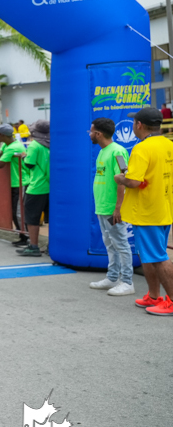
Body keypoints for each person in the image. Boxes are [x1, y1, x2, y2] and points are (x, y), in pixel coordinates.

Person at [115, 108, 173, 315]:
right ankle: (154, 295)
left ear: (139, 125)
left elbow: (133, 181)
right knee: (150, 255)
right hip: (164, 208)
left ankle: (172, 300)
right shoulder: (169, 144)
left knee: (157, 257)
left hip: (147, 212)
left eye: (134, 122)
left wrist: (120, 178)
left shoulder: (142, 148)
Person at [88, 118, 134, 296]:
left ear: (98, 134)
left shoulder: (118, 151)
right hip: (102, 207)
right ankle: (113, 277)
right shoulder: (103, 151)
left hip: (111, 208)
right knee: (110, 244)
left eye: (91, 131)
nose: (89, 134)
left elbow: (123, 179)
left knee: (121, 244)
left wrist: (118, 208)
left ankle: (128, 282)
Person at [17, 120, 50, 257]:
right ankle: (51, 246)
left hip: (36, 187)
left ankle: (34, 246)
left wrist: (23, 157)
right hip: (51, 187)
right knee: (50, 219)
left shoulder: (34, 145)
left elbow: (29, 164)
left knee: (32, 219)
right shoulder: (52, 145)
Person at [0, 124, 29, 247]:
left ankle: (26, 237)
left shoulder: (12, 147)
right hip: (15, 182)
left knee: (18, 212)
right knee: (15, 211)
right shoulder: (8, 144)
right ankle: (23, 235)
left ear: (3, 135)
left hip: (20, 183)